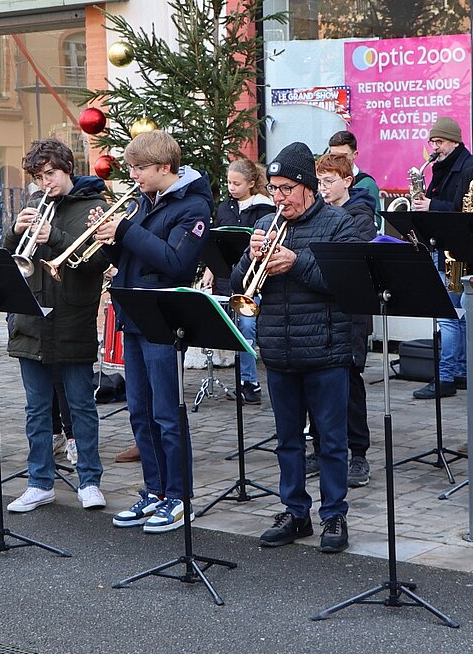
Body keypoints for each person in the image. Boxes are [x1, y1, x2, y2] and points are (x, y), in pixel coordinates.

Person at [232, 142, 366, 553]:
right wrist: (250, 259)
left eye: (287, 188)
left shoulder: (339, 223)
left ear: (307, 186)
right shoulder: (270, 224)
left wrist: (297, 262)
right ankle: (295, 512)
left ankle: (334, 516)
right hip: (280, 350)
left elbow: (346, 284)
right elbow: (238, 285)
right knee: (287, 440)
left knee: (330, 440)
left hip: (326, 352)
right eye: (274, 188)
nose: (279, 197)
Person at [98, 130, 212, 533]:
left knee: (166, 413)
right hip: (134, 313)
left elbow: (175, 262)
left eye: (140, 168)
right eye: (131, 167)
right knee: (140, 411)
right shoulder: (147, 201)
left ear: (166, 167)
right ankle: (155, 490)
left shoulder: (193, 206)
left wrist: (126, 230)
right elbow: (133, 256)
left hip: (164, 319)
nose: (134, 175)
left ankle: (180, 497)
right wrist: (109, 241)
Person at [1, 139, 109, 513]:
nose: (45, 182)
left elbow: (97, 262)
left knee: (80, 405)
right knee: (36, 409)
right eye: (39, 176)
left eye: (51, 174)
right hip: (31, 318)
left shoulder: (94, 207)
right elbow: (10, 257)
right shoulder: (32, 205)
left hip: (72, 318)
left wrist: (56, 236)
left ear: (67, 168)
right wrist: (16, 230)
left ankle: (90, 480)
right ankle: (39, 482)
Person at [315, 153, 379, 487]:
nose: (322, 189)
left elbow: (359, 258)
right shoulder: (317, 213)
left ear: (347, 182)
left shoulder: (361, 215)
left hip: (351, 313)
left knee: (350, 384)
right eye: (320, 181)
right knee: (317, 384)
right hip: (320, 308)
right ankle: (322, 446)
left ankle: (359, 454)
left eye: (329, 182)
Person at [411, 115, 473, 400]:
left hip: (454, 253)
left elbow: (464, 208)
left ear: (454, 141)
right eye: (433, 142)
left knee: (447, 316)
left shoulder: (467, 167)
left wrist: (430, 205)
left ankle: (446, 375)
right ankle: (460, 371)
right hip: (445, 249)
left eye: (439, 142)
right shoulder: (443, 166)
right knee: (457, 316)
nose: (434, 147)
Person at [204, 158, 274, 404]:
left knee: (246, 327)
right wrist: (211, 268)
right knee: (232, 327)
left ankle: (249, 382)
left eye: (237, 183)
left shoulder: (264, 210)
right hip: (226, 277)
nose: (231, 188)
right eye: (228, 183)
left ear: (251, 183)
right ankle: (242, 379)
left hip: (253, 278)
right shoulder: (225, 208)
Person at [327, 130, 381, 206]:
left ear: (354, 154)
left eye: (343, 156)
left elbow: (375, 216)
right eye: (333, 156)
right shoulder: (324, 182)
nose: (338, 160)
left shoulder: (367, 184)